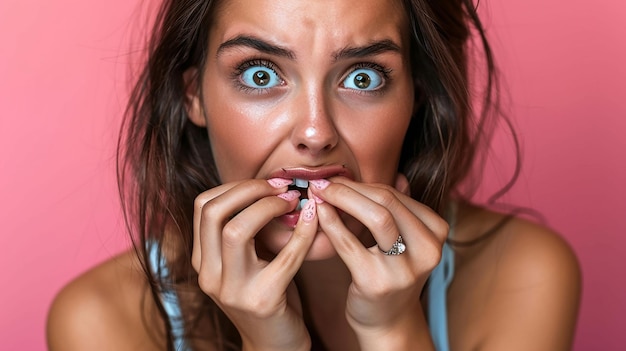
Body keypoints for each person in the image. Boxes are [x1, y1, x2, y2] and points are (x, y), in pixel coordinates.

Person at [46, 0, 581, 350]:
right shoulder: (103, 322)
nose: (315, 131)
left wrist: (394, 332)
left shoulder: (520, 274)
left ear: (417, 97)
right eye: (260, 75)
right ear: (194, 95)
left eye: (363, 76)